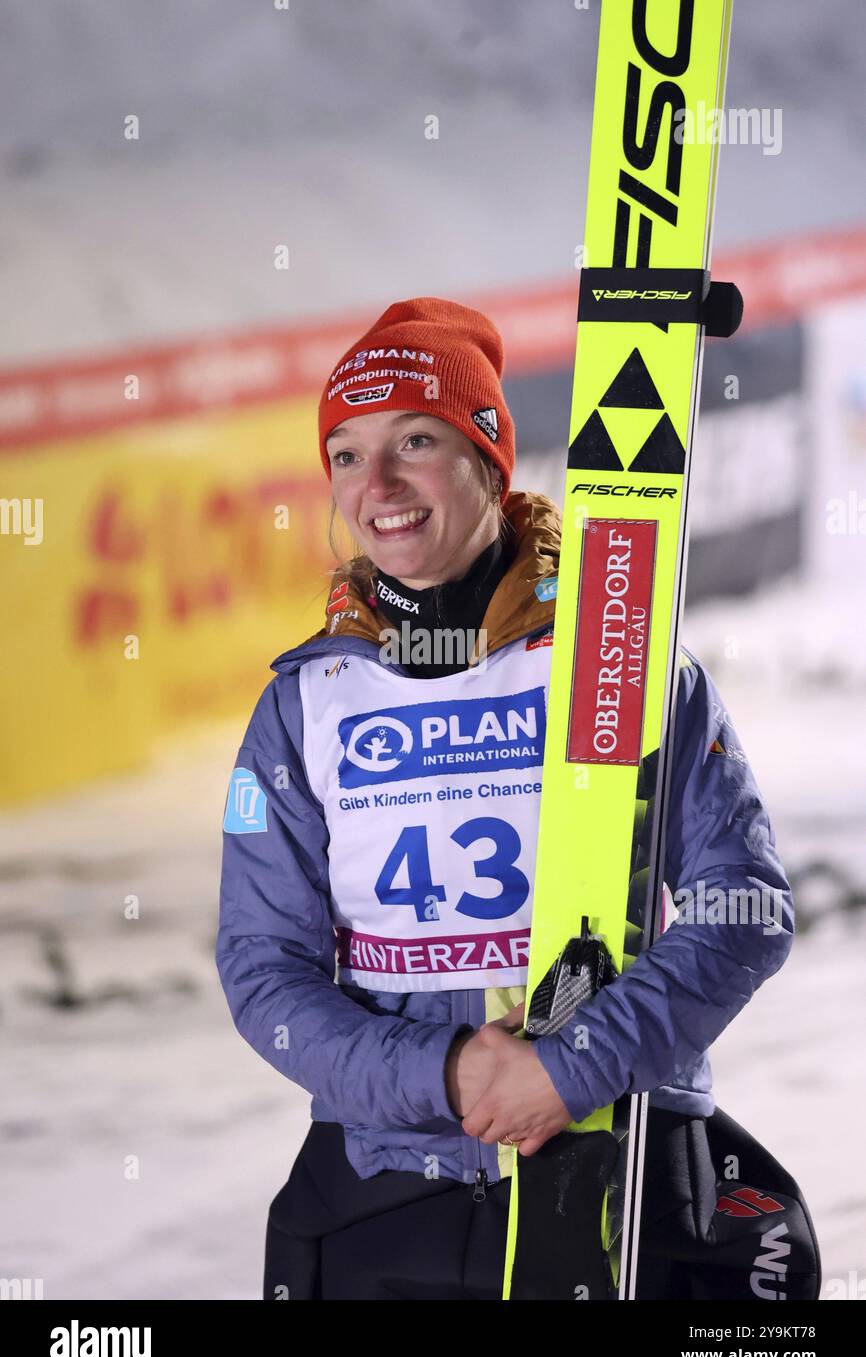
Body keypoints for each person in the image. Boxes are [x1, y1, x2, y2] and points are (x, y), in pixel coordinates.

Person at [216, 297, 817, 1301]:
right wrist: (446, 1074)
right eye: (349, 455)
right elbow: (261, 969)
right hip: (389, 1185)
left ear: (489, 460)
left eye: (416, 440)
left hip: (618, 1164)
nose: (380, 485)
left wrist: (568, 1067)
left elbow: (741, 906)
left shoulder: (611, 663)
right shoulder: (303, 705)